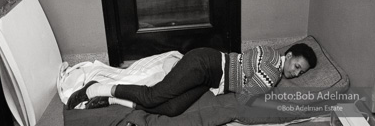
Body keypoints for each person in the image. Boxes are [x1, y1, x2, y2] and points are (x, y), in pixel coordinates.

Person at [66, 43, 317, 117]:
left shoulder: (271, 62)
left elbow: (247, 69)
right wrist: (263, 88)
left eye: (301, 73)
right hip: (206, 64)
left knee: (172, 109)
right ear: (290, 54)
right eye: (297, 66)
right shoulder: (272, 67)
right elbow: (243, 96)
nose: (296, 73)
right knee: (154, 95)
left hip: (211, 80)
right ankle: (95, 88)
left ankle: (111, 100)